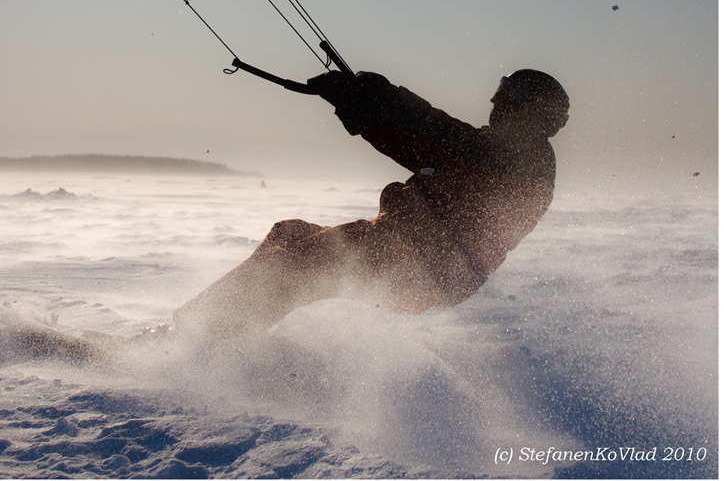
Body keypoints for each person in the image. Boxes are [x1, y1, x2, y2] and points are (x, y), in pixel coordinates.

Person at [162, 69, 567, 352]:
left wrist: (386, 97)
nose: (497, 99)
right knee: (290, 234)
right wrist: (358, 111)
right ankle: (227, 339)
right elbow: (420, 146)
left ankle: (180, 345)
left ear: (535, 113)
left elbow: (441, 133)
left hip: (419, 262)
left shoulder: (524, 160)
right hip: (405, 250)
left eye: (512, 95)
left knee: (289, 265)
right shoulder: (499, 152)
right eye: (502, 88)